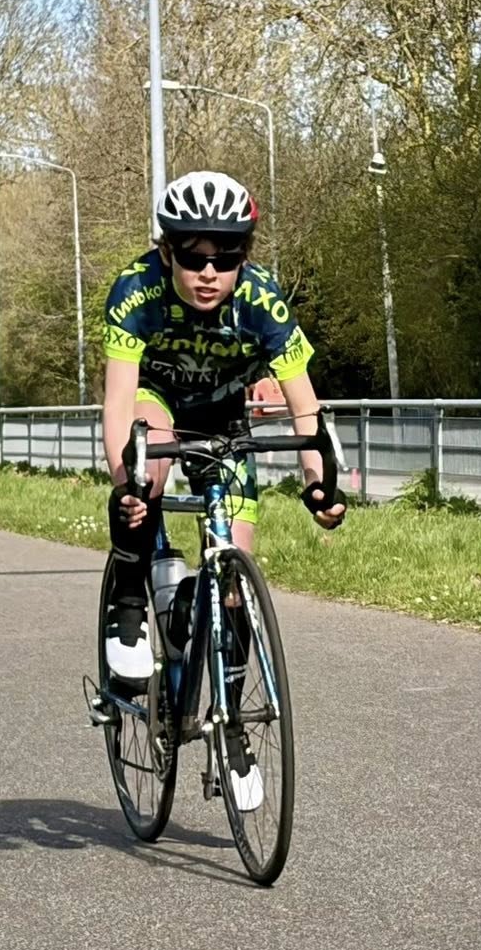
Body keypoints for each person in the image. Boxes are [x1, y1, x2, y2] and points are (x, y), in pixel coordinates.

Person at [100, 171, 345, 793]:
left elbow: (305, 407)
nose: (209, 272)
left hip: (225, 417)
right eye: (193, 257)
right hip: (157, 399)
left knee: (234, 582)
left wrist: (319, 485)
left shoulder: (263, 300)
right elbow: (118, 404)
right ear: (168, 253)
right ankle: (128, 601)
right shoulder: (135, 290)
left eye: (226, 257)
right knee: (148, 456)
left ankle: (231, 727)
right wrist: (128, 485)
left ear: (244, 257)